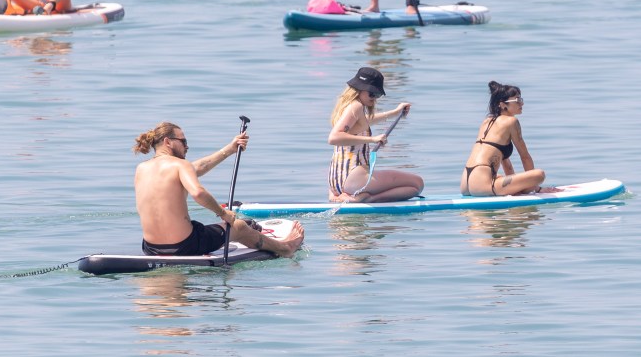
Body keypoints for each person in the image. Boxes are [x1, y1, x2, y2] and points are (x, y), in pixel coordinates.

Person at [133, 121, 305, 257]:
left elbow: (198, 167)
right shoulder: (181, 165)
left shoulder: (142, 169)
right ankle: (286, 248)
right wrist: (224, 214)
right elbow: (198, 192)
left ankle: (251, 228)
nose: (187, 146)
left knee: (225, 226)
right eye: (183, 141)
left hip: (151, 248)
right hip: (185, 246)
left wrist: (229, 150)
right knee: (239, 227)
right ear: (167, 142)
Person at [327, 66, 424, 202]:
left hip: (335, 180)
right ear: (359, 90)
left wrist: (395, 112)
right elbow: (334, 137)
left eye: (377, 94)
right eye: (372, 94)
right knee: (417, 185)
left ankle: (340, 197)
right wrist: (372, 139)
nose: (374, 98)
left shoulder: (345, 107)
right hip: (354, 177)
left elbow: (364, 123)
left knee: (413, 188)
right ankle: (364, 199)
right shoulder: (356, 106)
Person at [460, 81, 547, 196]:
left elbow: (506, 163)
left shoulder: (487, 122)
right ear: (502, 104)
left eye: (521, 99)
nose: (522, 103)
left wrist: (516, 188)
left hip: (466, 183)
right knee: (539, 174)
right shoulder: (511, 121)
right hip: (482, 184)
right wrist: (534, 187)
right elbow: (525, 157)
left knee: (503, 177)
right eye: (517, 100)